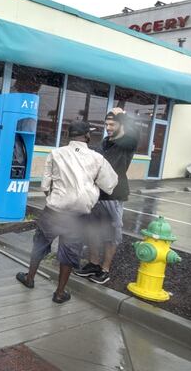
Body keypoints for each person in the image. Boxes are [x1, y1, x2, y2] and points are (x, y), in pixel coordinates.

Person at [16, 121, 118, 303]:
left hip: (54, 211)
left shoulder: (55, 154)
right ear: (87, 136)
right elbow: (110, 184)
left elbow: (45, 186)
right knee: (70, 252)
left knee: (40, 243)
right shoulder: (97, 158)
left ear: (69, 136)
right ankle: (59, 293)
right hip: (78, 216)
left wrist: (57, 197)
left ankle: (29, 278)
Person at [74, 107, 138, 284]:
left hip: (114, 195)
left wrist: (124, 116)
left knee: (111, 234)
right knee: (92, 230)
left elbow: (135, 133)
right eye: (106, 124)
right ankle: (94, 264)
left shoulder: (127, 143)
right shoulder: (105, 142)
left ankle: (105, 270)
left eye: (112, 124)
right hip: (96, 194)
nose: (108, 127)